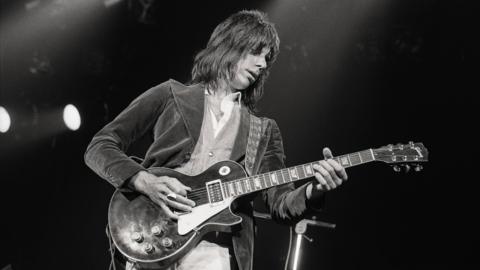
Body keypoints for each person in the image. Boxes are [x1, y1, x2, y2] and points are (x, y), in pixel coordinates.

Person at [84, 10, 347, 270]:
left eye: (267, 59)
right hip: (150, 236)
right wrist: (145, 181)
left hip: (212, 252)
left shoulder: (263, 130)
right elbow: (100, 146)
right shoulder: (170, 95)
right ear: (231, 44)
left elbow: (280, 204)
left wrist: (315, 190)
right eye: (256, 52)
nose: (263, 64)